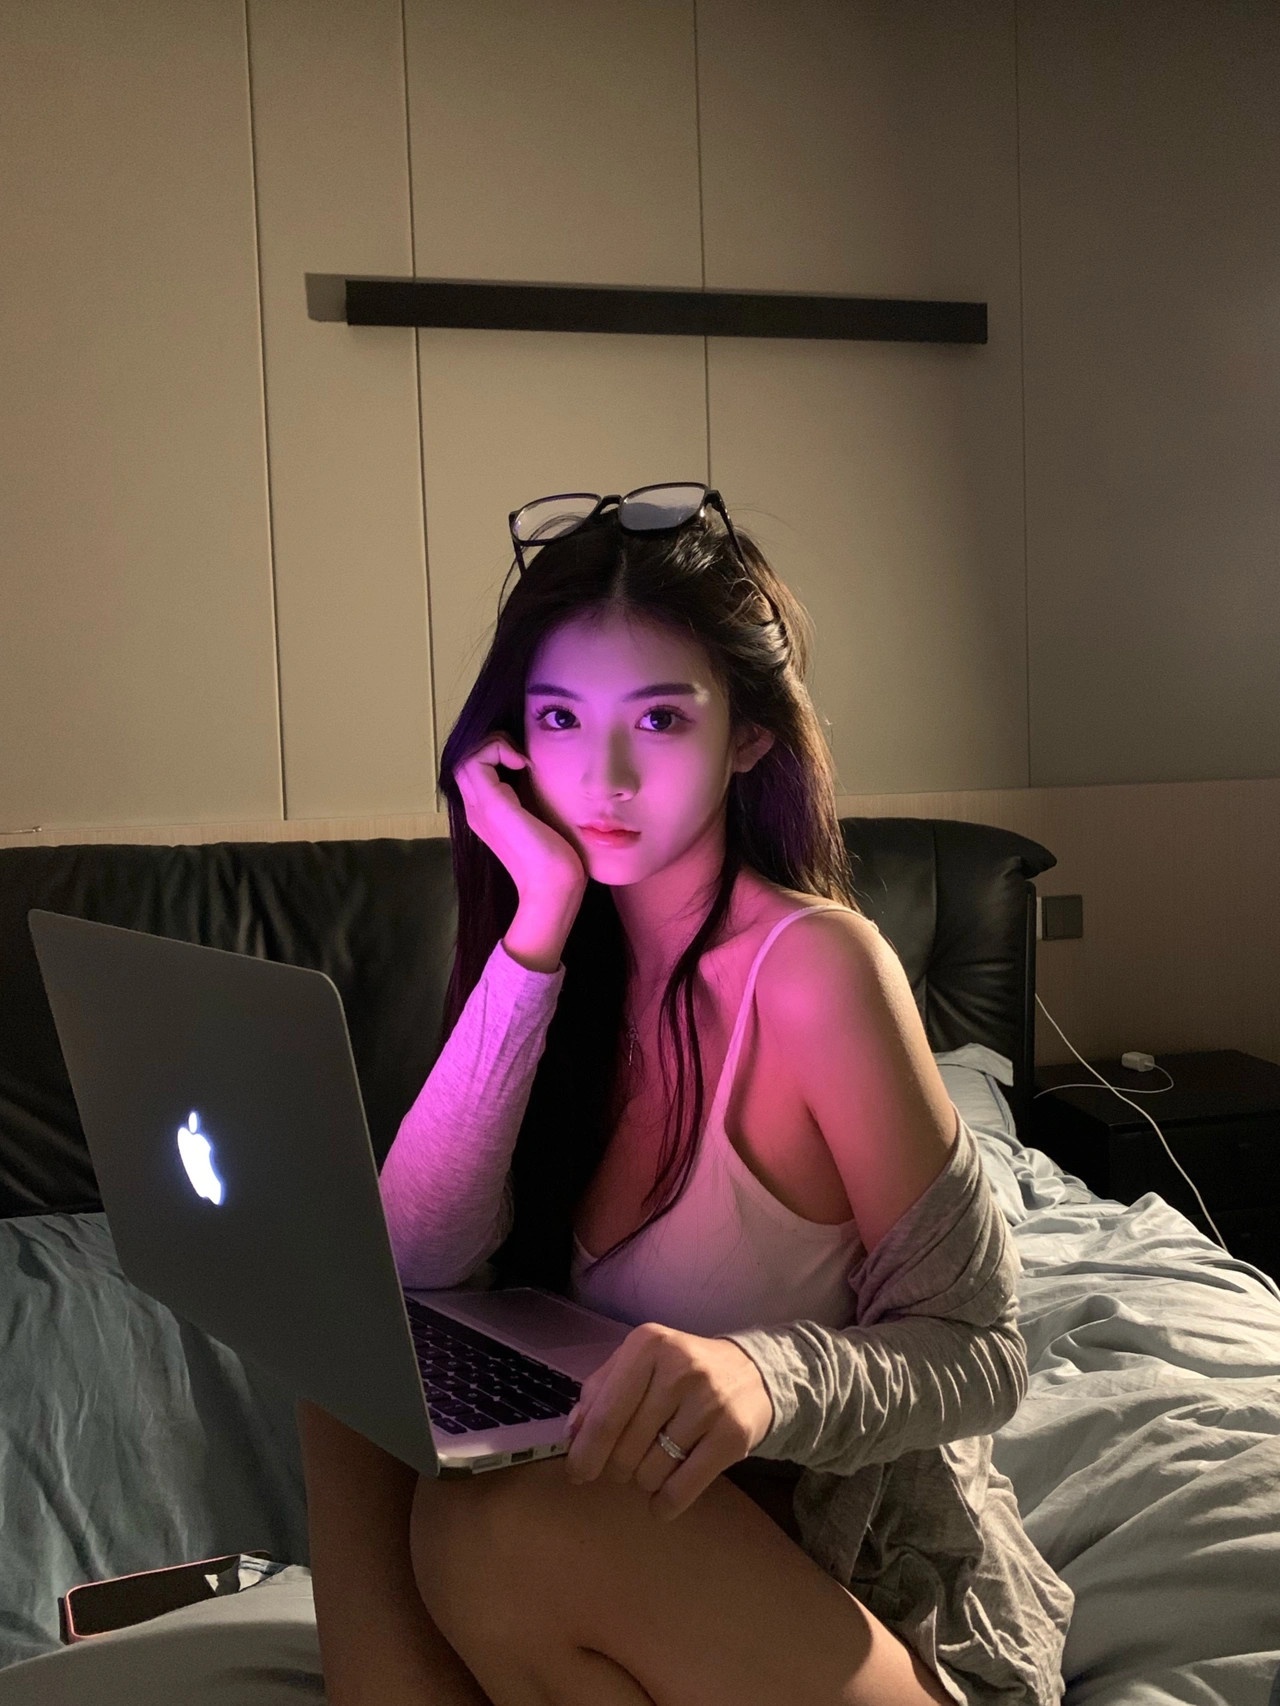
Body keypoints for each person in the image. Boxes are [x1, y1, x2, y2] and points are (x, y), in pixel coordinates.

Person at [297, 484, 1074, 1706]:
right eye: (558, 718)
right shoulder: (571, 967)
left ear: (747, 735)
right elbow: (413, 1260)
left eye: (658, 719)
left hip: (849, 1597)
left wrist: (764, 1378)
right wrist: (538, 921)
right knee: (346, 1381)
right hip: (654, 1562)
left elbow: (982, 1353)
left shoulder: (814, 970)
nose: (601, 775)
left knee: (502, 1529)